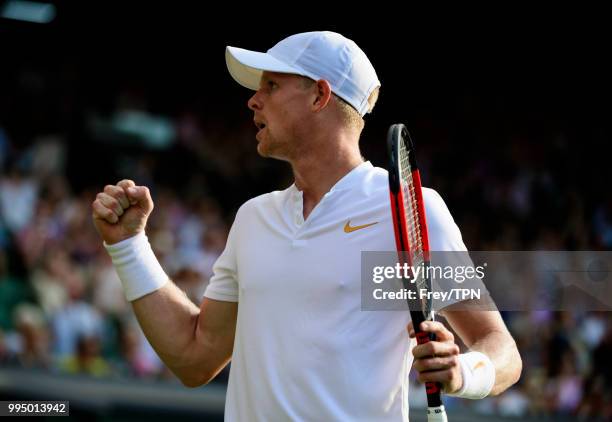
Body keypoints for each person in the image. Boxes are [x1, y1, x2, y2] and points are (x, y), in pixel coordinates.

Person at [92, 31, 521, 421]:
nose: (253, 100)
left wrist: (463, 371)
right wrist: (129, 246)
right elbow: (193, 358)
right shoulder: (253, 219)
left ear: (319, 95)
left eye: (271, 85)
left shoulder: (411, 210)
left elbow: (501, 350)